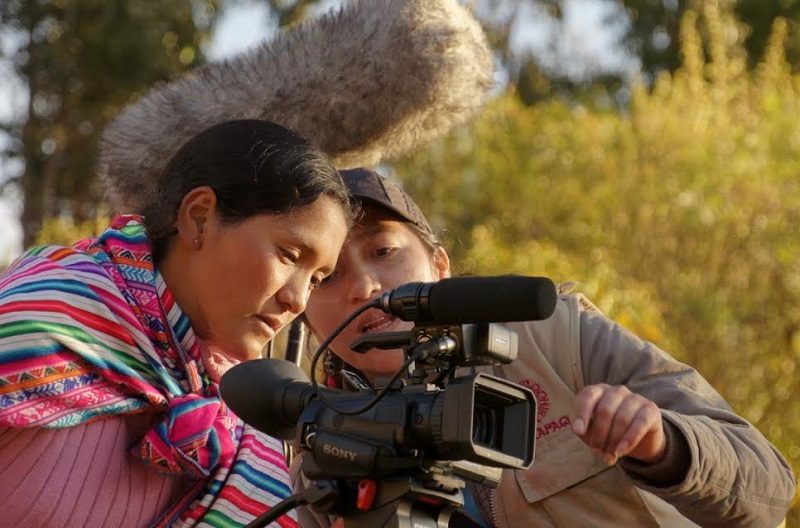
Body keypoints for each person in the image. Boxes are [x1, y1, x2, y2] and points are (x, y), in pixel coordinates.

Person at [300, 167, 797, 527]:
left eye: (384, 251)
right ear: (304, 314)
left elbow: (769, 488)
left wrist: (661, 444)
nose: (363, 286)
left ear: (440, 267)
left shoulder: (558, 335)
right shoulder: (316, 456)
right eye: (327, 276)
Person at [0, 119, 353, 527]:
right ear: (199, 218)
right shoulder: (46, 320)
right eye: (289, 255)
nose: (297, 299)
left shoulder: (240, 418)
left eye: (317, 280)